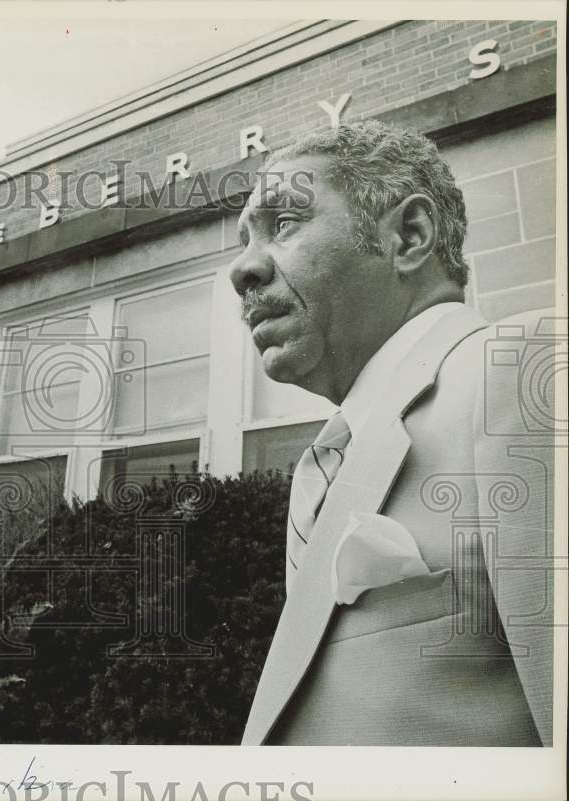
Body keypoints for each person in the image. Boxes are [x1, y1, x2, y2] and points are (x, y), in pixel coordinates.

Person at [229, 120, 556, 746]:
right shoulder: (328, 458)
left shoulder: (523, 372)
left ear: (409, 236)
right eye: (246, 238)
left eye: (285, 223)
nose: (242, 268)